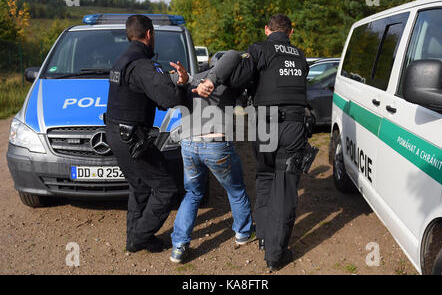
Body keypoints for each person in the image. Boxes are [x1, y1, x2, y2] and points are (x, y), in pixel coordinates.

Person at [201, 15, 312, 271]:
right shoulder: (300, 56)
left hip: (264, 124)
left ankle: (264, 239)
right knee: (284, 188)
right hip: (293, 126)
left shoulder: (259, 50)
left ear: (267, 30)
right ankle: (276, 254)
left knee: (264, 178)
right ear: (291, 32)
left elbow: (238, 78)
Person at [104, 15, 190, 253]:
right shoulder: (142, 65)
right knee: (167, 187)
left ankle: (135, 238)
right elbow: (169, 99)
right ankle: (141, 236)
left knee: (140, 185)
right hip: (132, 138)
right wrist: (182, 84)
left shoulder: (121, 60)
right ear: (149, 34)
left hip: (116, 133)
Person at [169, 51, 255, 263]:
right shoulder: (227, 82)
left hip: (188, 144)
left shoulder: (192, 78)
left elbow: (172, 78)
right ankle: (243, 233)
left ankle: (179, 246)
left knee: (192, 194)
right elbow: (235, 55)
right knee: (235, 190)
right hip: (216, 143)